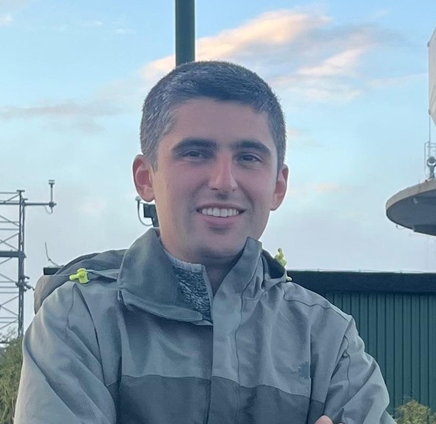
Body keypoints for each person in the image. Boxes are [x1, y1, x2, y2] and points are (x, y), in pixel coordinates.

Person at [15, 61, 395, 424]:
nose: (223, 181)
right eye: (195, 153)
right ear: (145, 178)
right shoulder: (79, 320)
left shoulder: (326, 338)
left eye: (248, 157)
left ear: (278, 186)